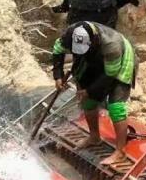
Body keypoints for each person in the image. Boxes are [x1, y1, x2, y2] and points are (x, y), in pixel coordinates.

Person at [51, 21, 137, 166]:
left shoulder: (112, 45)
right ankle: (94, 137)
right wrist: (58, 75)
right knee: (87, 101)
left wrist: (90, 90)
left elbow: (110, 75)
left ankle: (120, 152)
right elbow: (57, 50)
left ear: (93, 40)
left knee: (116, 106)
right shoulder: (69, 35)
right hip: (93, 59)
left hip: (119, 63)